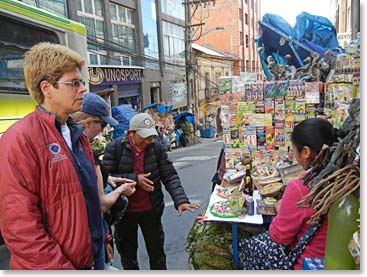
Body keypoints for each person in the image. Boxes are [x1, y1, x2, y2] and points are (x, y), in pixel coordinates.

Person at [0, 43, 100, 269]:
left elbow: (88, 198)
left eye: (81, 82)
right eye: (74, 83)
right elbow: (21, 229)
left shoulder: (78, 135)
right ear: (46, 88)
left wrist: (102, 240)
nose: (83, 89)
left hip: (90, 260)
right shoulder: (20, 139)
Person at [102, 113, 200, 270]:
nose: (148, 141)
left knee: (157, 253)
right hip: (125, 212)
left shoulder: (156, 148)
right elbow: (106, 177)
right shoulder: (116, 148)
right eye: (144, 137)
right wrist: (135, 179)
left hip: (151, 210)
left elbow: (169, 176)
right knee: (128, 255)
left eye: (151, 137)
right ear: (131, 134)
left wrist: (181, 200)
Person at [257, 118, 339, 269]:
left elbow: (279, 236)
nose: (294, 154)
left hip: (305, 264)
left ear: (306, 152)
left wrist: (280, 209)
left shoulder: (300, 189)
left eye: (294, 149)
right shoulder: (348, 180)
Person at [71, 93, 137, 266]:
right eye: (103, 124)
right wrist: (121, 190)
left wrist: (110, 179)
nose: (104, 130)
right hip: (88, 237)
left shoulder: (72, 146)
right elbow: (101, 204)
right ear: (88, 123)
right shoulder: (83, 152)